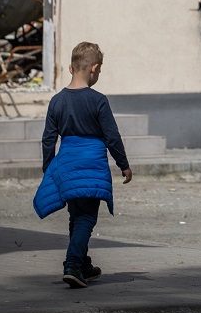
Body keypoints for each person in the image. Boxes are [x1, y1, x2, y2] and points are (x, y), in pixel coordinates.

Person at [33, 41, 133, 288]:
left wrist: (49, 168)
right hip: (91, 164)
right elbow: (112, 135)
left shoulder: (57, 101)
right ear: (94, 68)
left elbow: (48, 138)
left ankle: (84, 263)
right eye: (99, 71)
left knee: (76, 216)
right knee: (87, 218)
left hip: (66, 163)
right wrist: (123, 164)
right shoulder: (98, 100)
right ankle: (73, 264)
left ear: (70, 68)